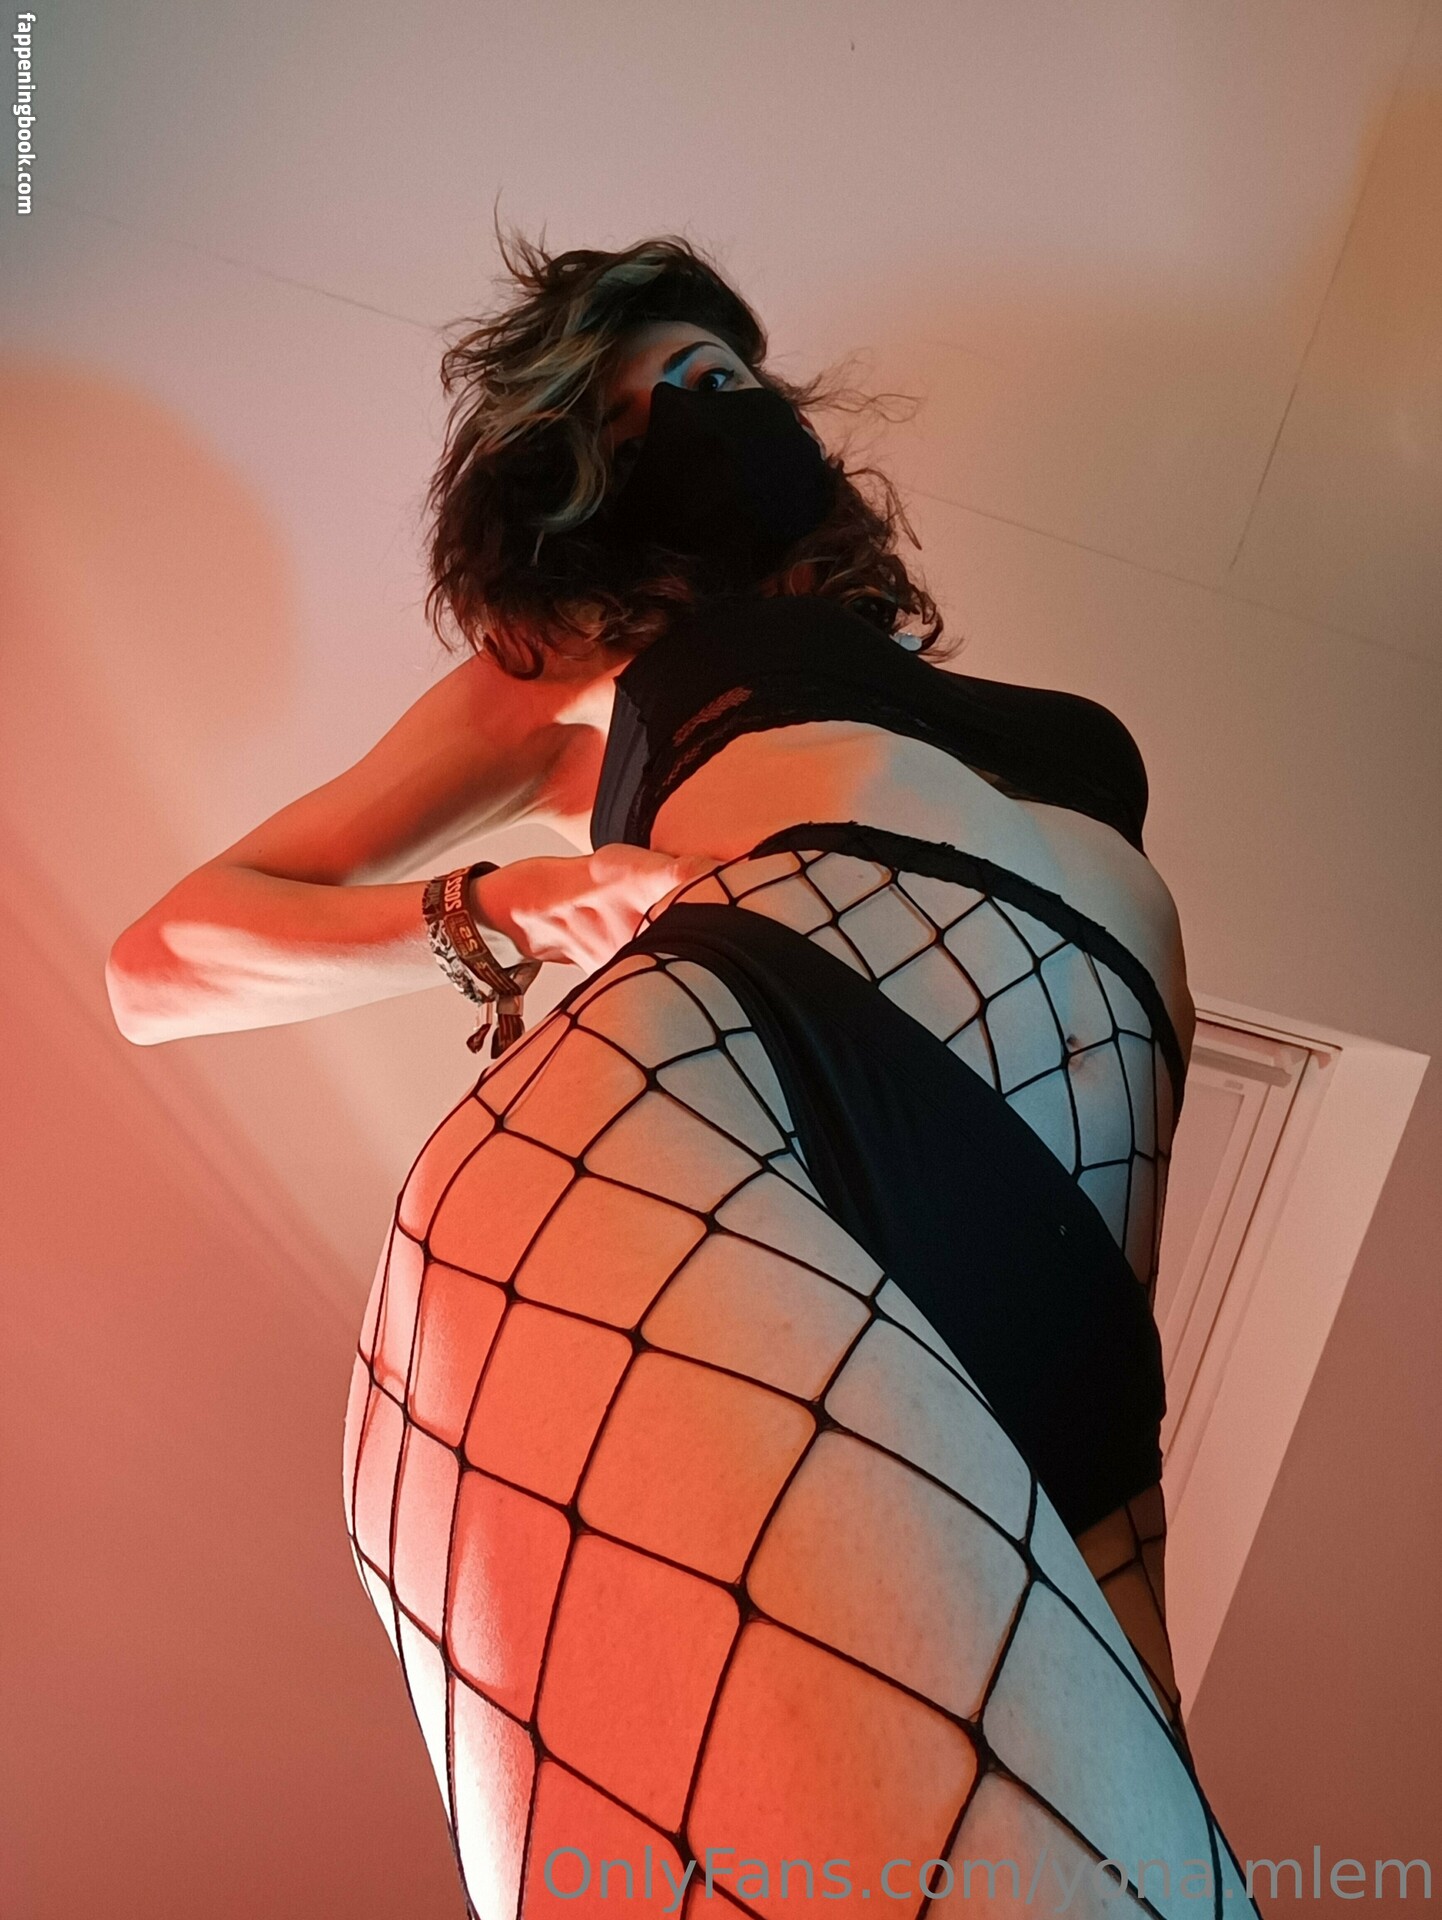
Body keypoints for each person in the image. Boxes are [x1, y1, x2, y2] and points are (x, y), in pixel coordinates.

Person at [107, 228, 1262, 1920]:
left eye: (722, 372)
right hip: (732, 1093)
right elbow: (158, 967)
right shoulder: (574, 670)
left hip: (1066, 1271)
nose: (707, 404)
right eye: (643, 403)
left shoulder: (963, 694)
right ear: (582, 481)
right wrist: (506, 905)